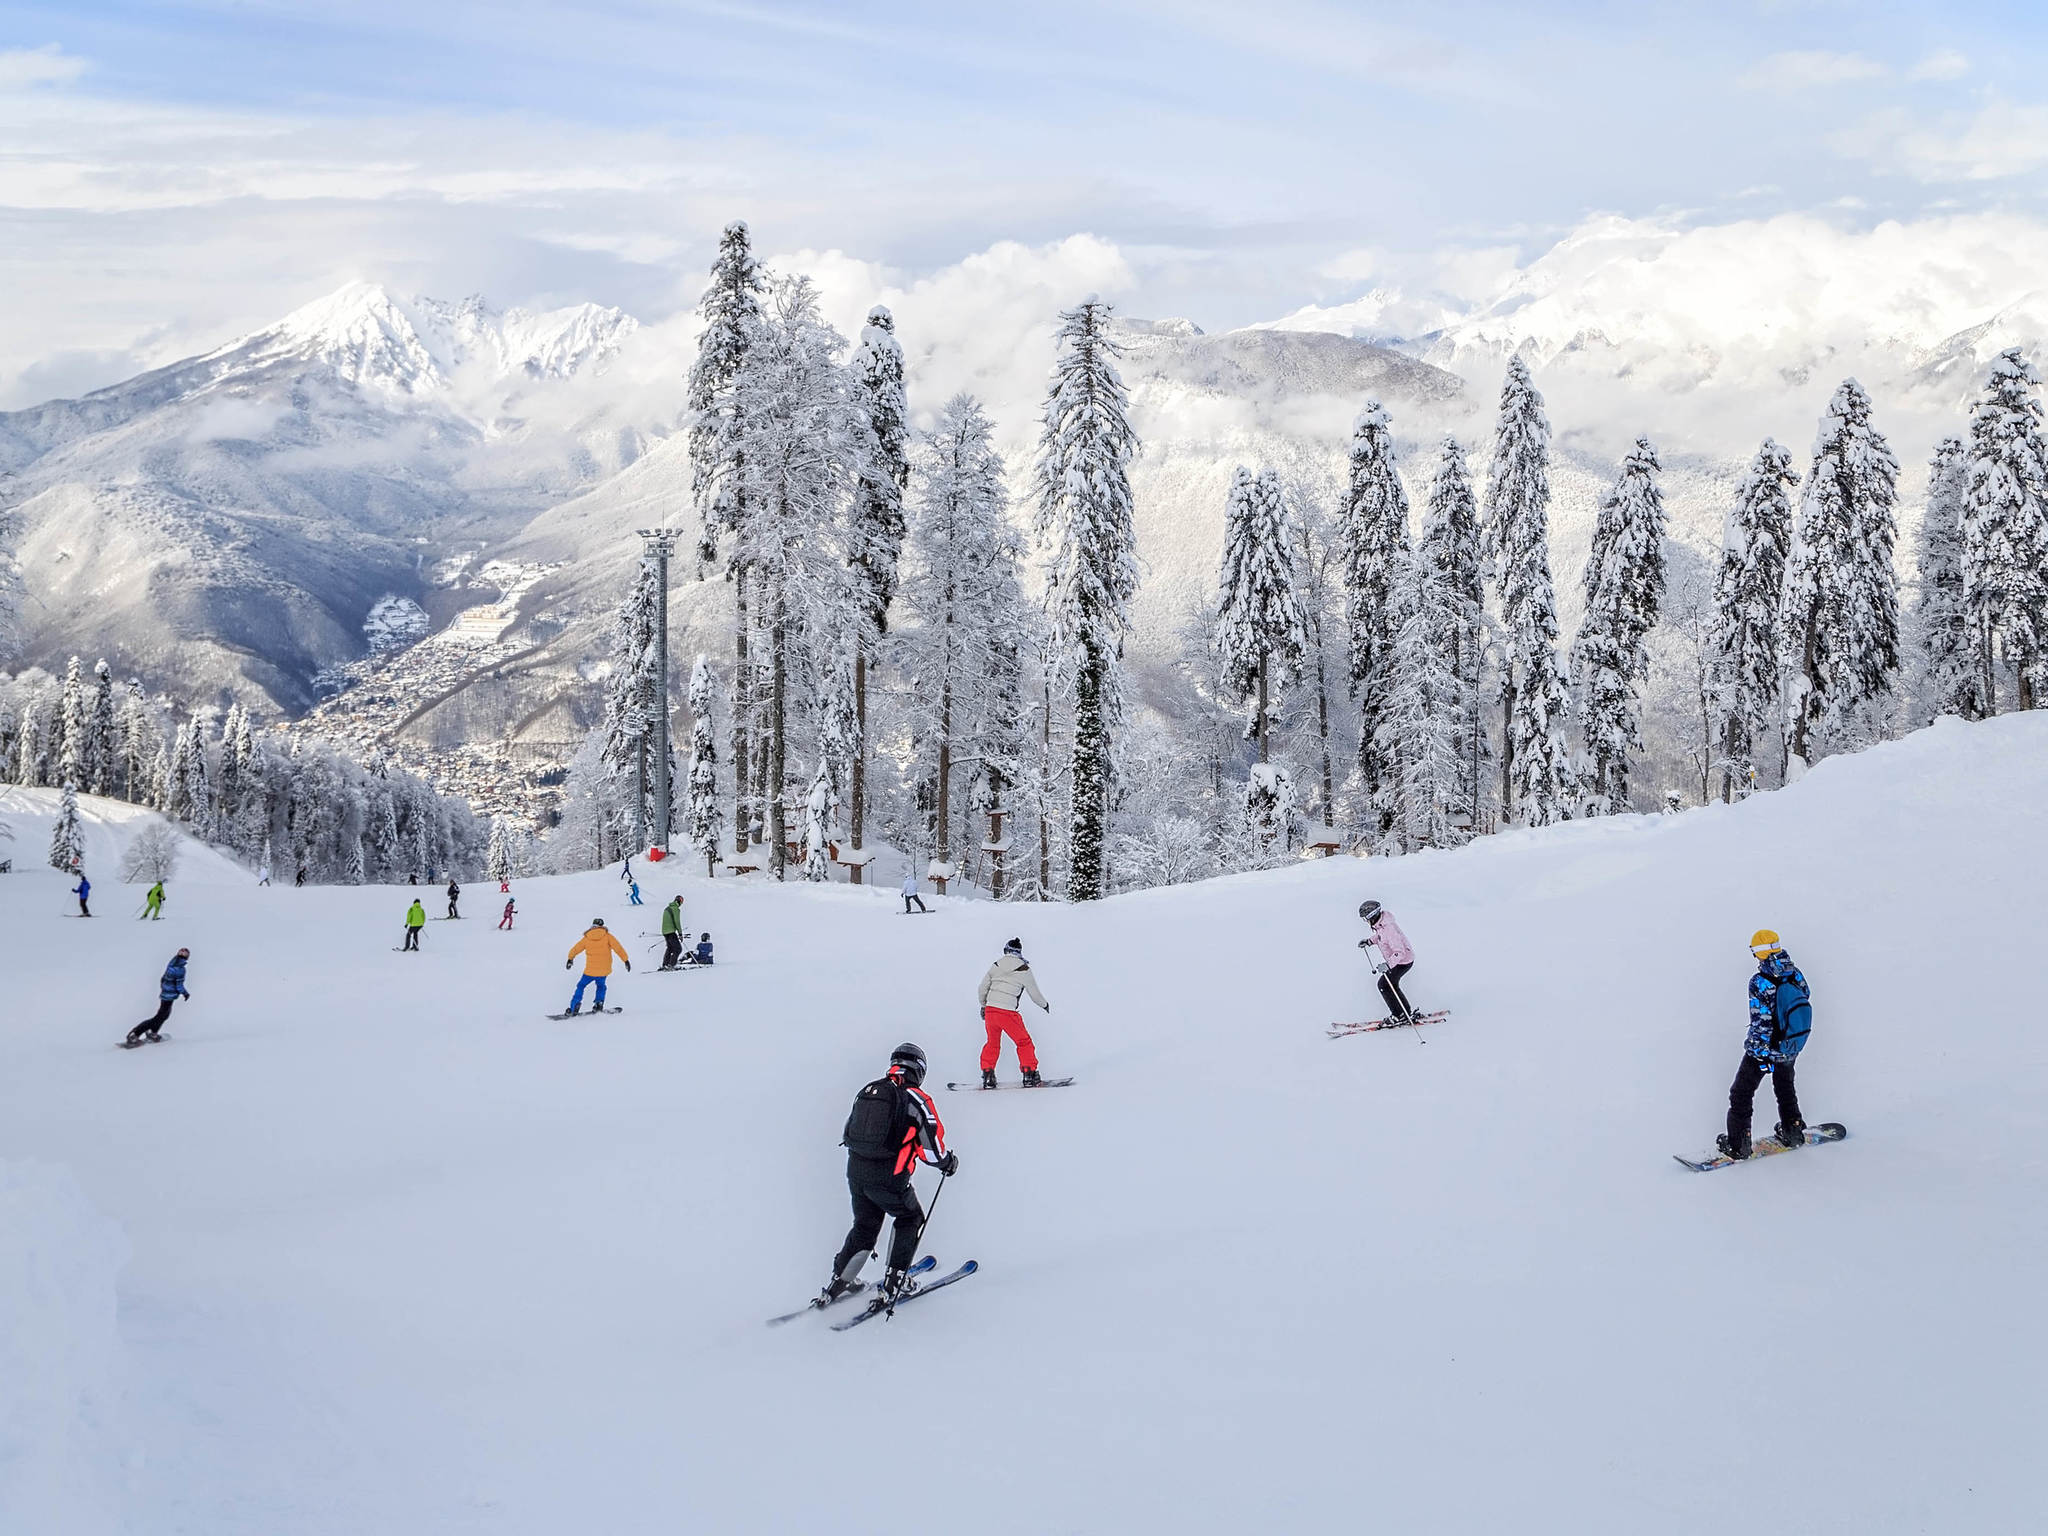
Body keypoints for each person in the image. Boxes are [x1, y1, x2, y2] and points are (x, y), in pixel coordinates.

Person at [819, 1042, 958, 1307]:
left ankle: (839, 1281)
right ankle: (895, 1281)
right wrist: (948, 1162)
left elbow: (850, 1130)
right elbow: (931, 1149)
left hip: (856, 1172)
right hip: (890, 1177)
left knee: (865, 1224)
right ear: (920, 1069)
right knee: (909, 1217)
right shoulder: (916, 1098)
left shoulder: (870, 1090)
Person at [1717, 930, 1812, 1160]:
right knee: (1784, 1086)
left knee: (1741, 1093)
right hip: (1791, 1045)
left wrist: (1759, 1052)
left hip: (1765, 1049)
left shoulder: (1760, 981)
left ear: (1759, 952)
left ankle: (1738, 1145)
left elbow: (1762, 1021)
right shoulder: (1795, 973)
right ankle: (1793, 1130)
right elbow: (1805, 995)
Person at [976, 937, 1051, 1088]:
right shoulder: (1024, 969)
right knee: (1023, 1042)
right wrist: (1045, 1005)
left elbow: (982, 988)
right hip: (1007, 1012)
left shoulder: (996, 965)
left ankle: (988, 1075)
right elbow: (1034, 994)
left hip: (991, 1011)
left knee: (992, 1043)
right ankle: (1029, 1074)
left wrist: (984, 1005)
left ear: (1006, 950)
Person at [1357, 900, 1417, 1023]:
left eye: (1365, 918)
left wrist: (1388, 965)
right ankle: (1404, 1013)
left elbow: (1399, 952)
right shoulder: (1381, 925)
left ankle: (1399, 1015)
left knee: (1384, 985)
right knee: (1391, 985)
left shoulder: (1388, 928)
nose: (1366, 921)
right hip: (1399, 961)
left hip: (1402, 961)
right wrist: (1369, 941)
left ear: (1371, 916)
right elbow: (1380, 936)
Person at [564, 917, 629, 1015]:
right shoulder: (608, 936)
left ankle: (574, 1006)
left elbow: (576, 949)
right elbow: (618, 948)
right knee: (601, 986)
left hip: (590, 971)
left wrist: (570, 959)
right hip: (604, 970)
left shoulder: (587, 938)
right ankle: (599, 1003)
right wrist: (626, 960)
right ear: (602, 926)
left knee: (581, 986)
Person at [126, 948, 190, 1045]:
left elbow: (163, 979)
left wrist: (164, 989)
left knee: (163, 1015)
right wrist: (185, 993)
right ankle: (134, 1034)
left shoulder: (172, 964)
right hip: (169, 996)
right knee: (159, 1017)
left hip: (165, 994)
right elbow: (179, 985)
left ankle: (153, 1032)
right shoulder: (180, 969)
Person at [659, 895, 686, 969]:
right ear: (679, 901)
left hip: (665, 932)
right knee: (678, 949)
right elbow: (677, 922)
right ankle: (671, 965)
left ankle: (665, 964)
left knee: (670, 948)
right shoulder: (675, 909)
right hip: (671, 932)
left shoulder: (667, 908)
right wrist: (680, 933)